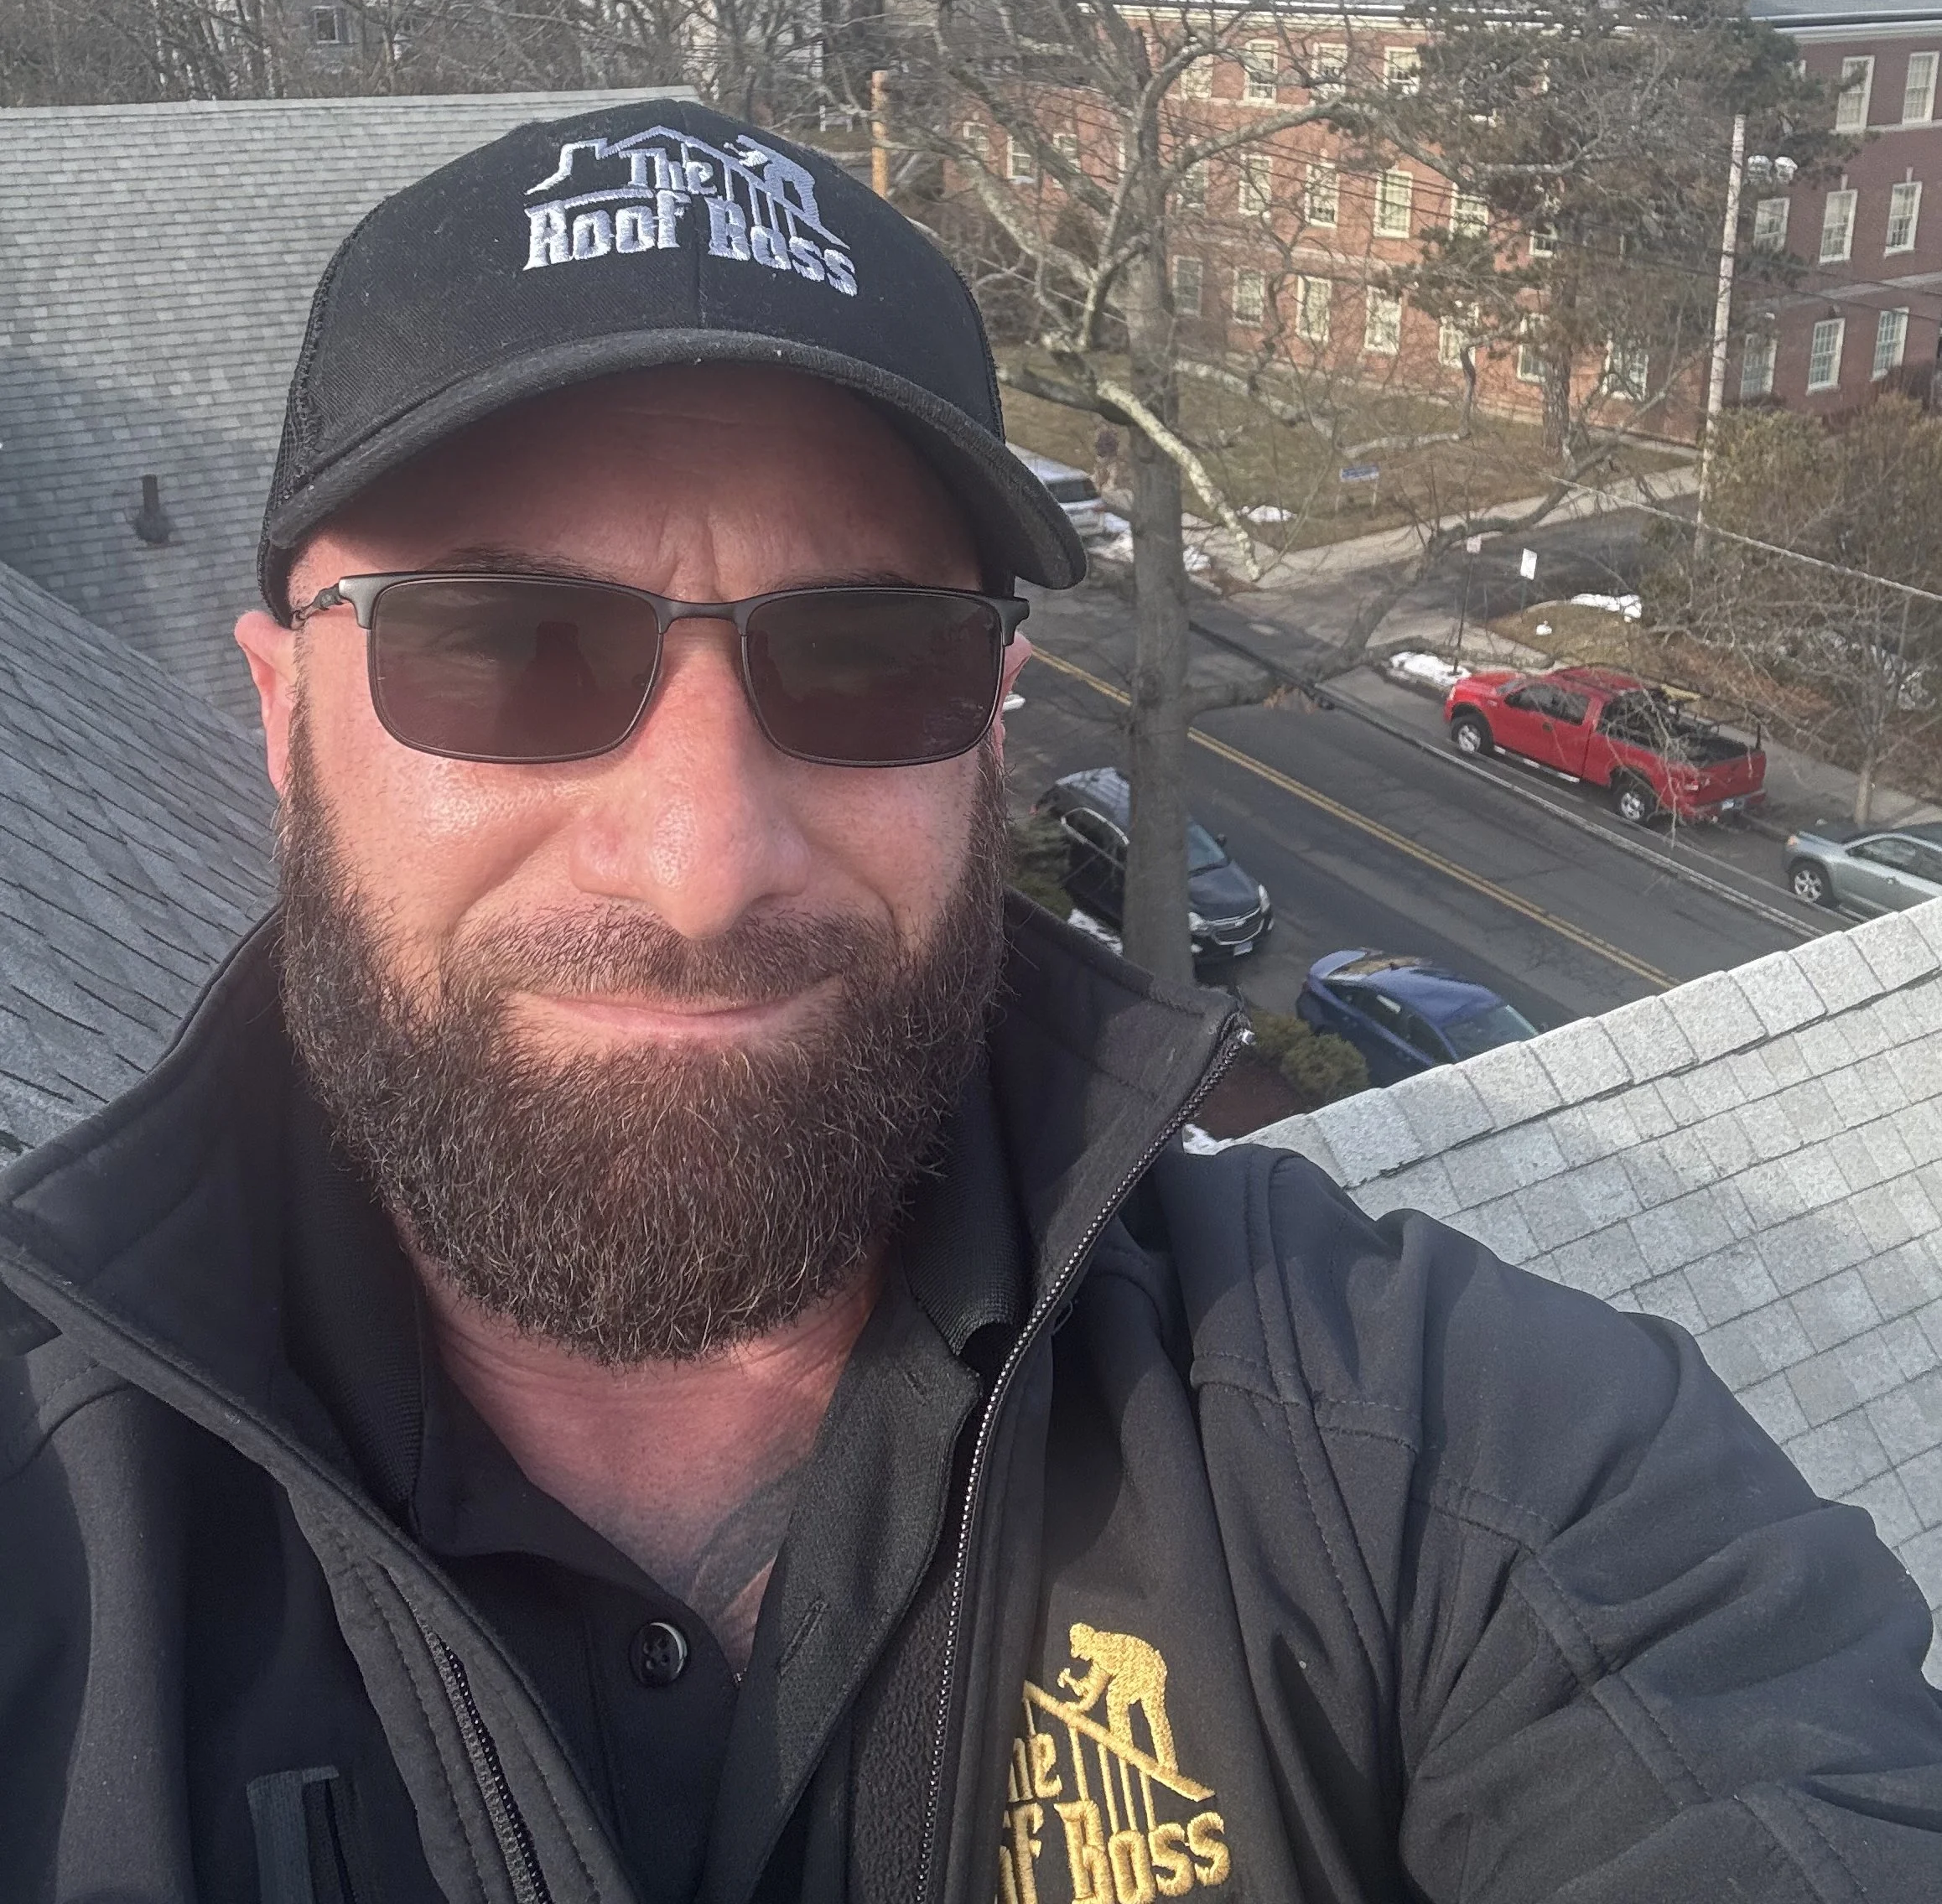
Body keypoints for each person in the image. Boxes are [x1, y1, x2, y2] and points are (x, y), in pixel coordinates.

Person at [0, 97, 1937, 1904]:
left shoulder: (1416, 1445)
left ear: (991, 728)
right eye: (505, 649)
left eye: (865, 660)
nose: (700, 860)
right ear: (279, 716)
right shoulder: (51, 1534)